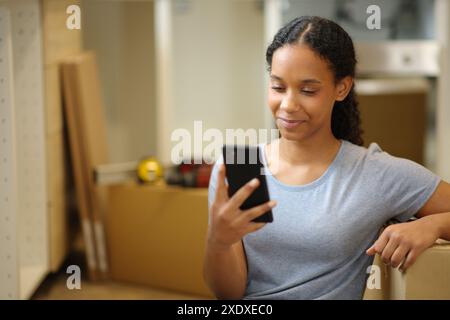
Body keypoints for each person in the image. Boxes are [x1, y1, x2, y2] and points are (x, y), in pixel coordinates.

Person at [203, 16, 450, 300]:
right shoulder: (242, 167)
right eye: (278, 87)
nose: (288, 105)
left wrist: (433, 225)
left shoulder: (374, 172)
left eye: (308, 90)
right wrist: (219, 242)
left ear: (342, 88)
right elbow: (229, 296)